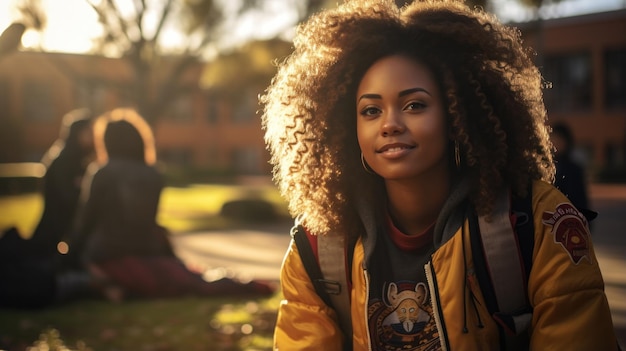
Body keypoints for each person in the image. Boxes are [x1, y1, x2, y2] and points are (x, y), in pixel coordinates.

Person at [260, 1, 619, 350]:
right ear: (347, 127)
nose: (390, 124)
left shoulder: (535, 223)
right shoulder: (320, 245)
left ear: (455, 115)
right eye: (370, 110)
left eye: (414, 105)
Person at [68, 108, 273, 301]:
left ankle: (110, 285)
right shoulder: (152, 174)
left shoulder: (102, 172)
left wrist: (71, 254)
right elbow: (148, 219)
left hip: (107, 256)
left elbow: (86, 221)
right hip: (149, 253)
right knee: (191, 280)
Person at [0, 108, 94, 308]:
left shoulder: (76, 160)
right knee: (45, 264)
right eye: (89, 133)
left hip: (61, 227)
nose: (93, 138)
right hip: (55, 227)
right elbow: (67, 197)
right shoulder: (63, 160)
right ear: (78, 134)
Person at [551, 122, 595, 219]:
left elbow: (581, 200)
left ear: (567, 141)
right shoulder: (546, 167)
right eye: (553, 139)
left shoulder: (574, 169)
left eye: (559, 139)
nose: (555, 143)